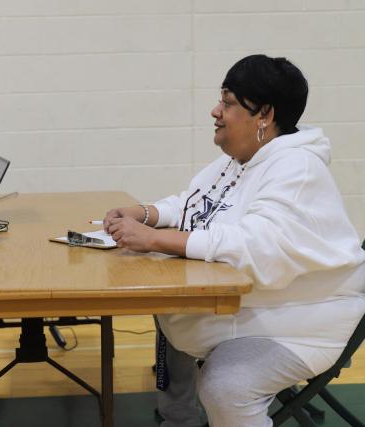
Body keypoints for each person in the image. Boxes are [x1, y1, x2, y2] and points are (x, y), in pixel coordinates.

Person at [103, 54, 365, 426]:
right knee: (167, 303)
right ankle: (179, 418)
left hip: (305, 319)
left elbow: (252, 247)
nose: (215, 111)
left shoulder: (296, 169)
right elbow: (193, 204)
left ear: (265, 115)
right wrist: (145, 214)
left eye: (227, 102)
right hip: (269, 303)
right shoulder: (241, 158)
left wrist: (154, 241)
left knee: (227, 385)